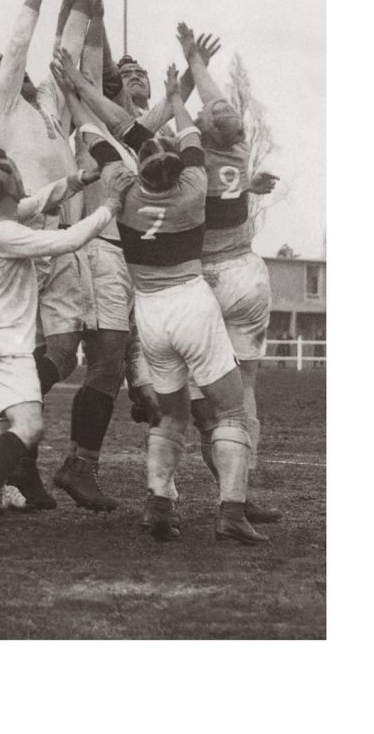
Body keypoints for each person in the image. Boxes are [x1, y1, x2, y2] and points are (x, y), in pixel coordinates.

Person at [81, 64, 269, 545]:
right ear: (177, 165)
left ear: (138, 168)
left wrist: (76, 94)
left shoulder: (122, 191)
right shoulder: (193, 186)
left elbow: (103, 137)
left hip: (150, 314)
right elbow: (186, 133)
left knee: (171, 414)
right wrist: (176, 92)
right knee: (229, 411)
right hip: (192, 304)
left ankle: (159, 505)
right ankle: (231, 510)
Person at [47, 18, 219, 511]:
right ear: (110, 85)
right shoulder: (95, 125)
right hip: (101, 252)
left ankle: (174, 490)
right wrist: (94, 17)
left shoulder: (142, 136)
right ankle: (76, 464)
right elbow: (92, 76)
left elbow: (172, 101)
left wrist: (192, 65)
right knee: (103, 362)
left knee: (155, 380)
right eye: (126, 73)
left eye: (141, 71)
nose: (134, 75)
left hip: (140, 267)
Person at [0, 149, 135, 552]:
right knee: (28, 428)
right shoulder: (3, 231)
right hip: (3, 347)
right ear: (10, 187)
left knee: (8, 433)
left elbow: (45, 198)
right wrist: (111, 203)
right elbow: (68, 239)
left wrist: (84, 178)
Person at [0, 0, 96, 506]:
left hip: (60, 240)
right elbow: (20, 46)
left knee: (64, 353)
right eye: (7, 72)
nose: (18, 74)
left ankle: (6, 439)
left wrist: (81, 2)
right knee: (18, 350)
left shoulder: (46, 103)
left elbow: (64, 53)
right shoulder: (3, 109)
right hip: (21, 237)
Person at [175, 23, 281, 524]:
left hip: (205, 277)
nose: (225, 107)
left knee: (210, 393)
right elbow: (216, 107)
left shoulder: (197, 151)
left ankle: (225, 476)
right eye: (222, 111)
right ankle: (237, 485)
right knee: (244, 389)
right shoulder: (233, 148)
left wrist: (191, 66)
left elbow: (209, 106)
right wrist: (194, 63)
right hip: (238, 272)